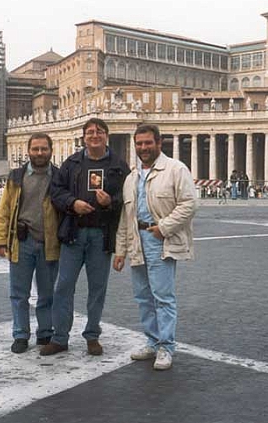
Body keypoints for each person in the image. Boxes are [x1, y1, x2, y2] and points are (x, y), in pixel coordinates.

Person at [40, 118, 130, 357]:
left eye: (99, 131)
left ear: (106, 136)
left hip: (101, 235)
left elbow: (129, 197)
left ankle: (92, 336)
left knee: (97, 289)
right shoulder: (71, 164)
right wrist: (73, 203)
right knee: (63, 287)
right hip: (73, 233)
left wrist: (111, 201)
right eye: (90, 132)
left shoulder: (120, 166)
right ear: (84, 137)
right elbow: (56, 193)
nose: (94, 135)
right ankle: (60, 338)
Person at [113, 124, 197, 370]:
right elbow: (125, 218)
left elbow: (189, 204)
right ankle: (152, 341)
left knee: (163, 296)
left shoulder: (176, 169)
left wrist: (164, 227)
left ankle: (166, 346)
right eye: (139, 144)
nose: (143, 148)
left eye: (148, 143)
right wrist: (120, 250)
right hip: (137, 239)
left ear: (159, 143)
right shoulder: (132, 177)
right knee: (143, 296)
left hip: (160, 239)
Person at [0, 133, 61, 354]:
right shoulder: (16, 176)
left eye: (43, 149)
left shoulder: (60, 177)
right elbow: (3, 210)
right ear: (28, 151)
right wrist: (0, 240)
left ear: (51, 150)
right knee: (18, 292)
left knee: (47, 293)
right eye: (35, 149)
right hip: (22, 241)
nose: (39, 153)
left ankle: (45, 332)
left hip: (50, 241)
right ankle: (20, 334)